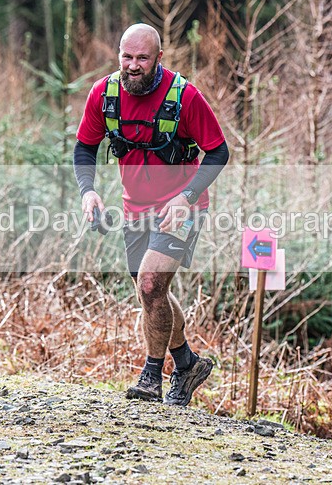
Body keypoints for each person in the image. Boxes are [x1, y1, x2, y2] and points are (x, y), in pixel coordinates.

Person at [73, 23, 229, 406]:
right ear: (119, 55)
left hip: (183, 207)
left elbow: (219, 152)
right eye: (127, 57)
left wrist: (187, 196)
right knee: (152, 294)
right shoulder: (103, 94)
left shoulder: (185, 97)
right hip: (135, 208)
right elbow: (84, 149)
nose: (133, 65)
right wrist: (89, 191)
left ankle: (150, 376)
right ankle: (187, 362)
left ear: (159, 57)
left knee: (149, 285)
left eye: (143, 58)